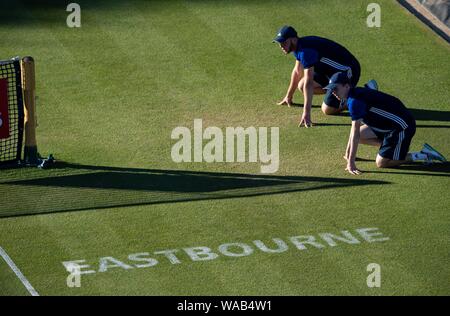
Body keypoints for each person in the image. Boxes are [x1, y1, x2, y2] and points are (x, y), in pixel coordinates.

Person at [324, 72, 446, 175]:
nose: (333, 92)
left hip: (401, 127)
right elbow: (354, 133)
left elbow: (354, 133)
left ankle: (424, 155)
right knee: (361, 135)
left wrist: (351, 163)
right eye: (331, 89)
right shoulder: (353, 95)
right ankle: (392, 148)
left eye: (335, 88)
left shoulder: (354, 102)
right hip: (386, 124)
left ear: (346, 86)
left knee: (382, 163)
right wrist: (348, 154)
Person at [273, 25, 377, 127]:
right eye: (280, 43)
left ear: (294, 40)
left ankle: (363, 95)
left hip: (347, 72)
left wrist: (306, 113)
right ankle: (336, 94)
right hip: (329, 72)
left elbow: (309, 83)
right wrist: (289, 95)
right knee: (302, 85)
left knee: (327, 109)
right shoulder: (298, 47)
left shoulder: (306, 52)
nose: (281, 46)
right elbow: (297, 71)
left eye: (284, 42)